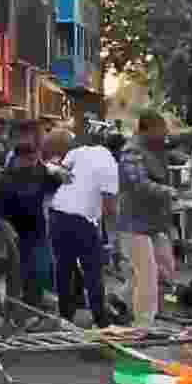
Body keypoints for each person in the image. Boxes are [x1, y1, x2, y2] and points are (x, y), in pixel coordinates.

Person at [118, 109, 191, 327]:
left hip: (156, 223)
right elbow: (139, 184)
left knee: (165, 270)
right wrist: (171, 192)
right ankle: (143, 324)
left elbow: (188, 136)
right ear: (147, 129)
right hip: (134, 224)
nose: (166, 134)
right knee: (147, 274)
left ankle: (120, 301)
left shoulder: (158, 145)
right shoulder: (132, 152)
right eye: (162, 129)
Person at [48, 128, 119, 329]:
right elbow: (110, 207)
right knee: (92, 270)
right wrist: (113, 239)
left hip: (57, 214)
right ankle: (101, 321)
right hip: (82, 220)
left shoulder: (78, 152)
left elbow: (56, 170)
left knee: (64, 267)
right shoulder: (111, 164)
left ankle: (65, 317)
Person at [0, 142, 65, 311]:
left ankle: (35, 307)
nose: (33, 162)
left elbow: (58, 182)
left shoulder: (41, 172)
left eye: (35, 158)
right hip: (11, 232)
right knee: (15, 274)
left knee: (40, 271)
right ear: (18, 158)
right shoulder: (4, 179)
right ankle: (12, 310)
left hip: (37, 230)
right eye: (29, 159)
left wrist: (62, 174)